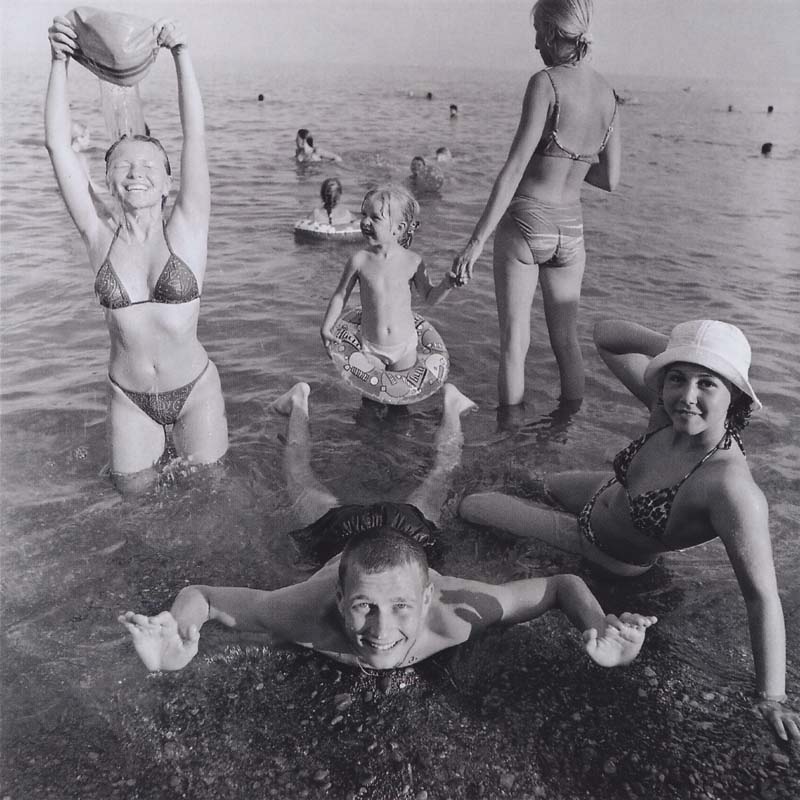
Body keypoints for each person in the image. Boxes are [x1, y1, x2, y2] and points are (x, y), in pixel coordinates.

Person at [119, 381, 656, 674]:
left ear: (427, 599)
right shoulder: (301, 611)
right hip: (345, 536)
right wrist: (177, 633)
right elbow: (201, 598)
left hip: (409, 535)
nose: (380, 631)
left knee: (437, 476)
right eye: (363, 606)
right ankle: (298, 402)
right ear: (338, 597)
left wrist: (598, 625)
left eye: (400, 607)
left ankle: (451, 406)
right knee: (302, 477)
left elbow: (563, 587)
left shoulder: (457, 617)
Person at [459, 319, 800, 742]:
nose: (687, 396)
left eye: (707, 383)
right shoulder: (668, 414)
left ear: (736, 395)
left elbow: (761, 596)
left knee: (472, 506)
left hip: (597, 544)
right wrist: (681, 351)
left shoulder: (730, 488)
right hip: (601, 490)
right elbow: (605, 336)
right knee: (522, 478)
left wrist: (772, 696)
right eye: (677, 378)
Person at [46, 17, 228, 493]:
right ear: (108, 180)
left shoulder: (187, 227)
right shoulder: (98, 234)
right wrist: (58, 62)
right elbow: (57, 146)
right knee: (132, 501)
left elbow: (195, 135)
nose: (135, 173)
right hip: (129, 398)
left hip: (195, 390)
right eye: (122, 165)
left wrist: (181, 54)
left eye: (149, 165)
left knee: (210, 495)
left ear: (168, 182)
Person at [451, 0, 621, 409]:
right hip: (572, 231)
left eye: (537, 34)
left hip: (528, 221)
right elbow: (610, 179)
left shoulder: (545, 83)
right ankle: (568, 429)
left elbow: (513, 171)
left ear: (550, 31)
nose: (534, 45)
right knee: (567, 341)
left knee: (514, 343)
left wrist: (475, 243)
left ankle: (510, 434)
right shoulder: (608, 94)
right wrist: (570, 162)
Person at [320, 186, 456, 372]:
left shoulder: (413, 262)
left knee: (401, 391)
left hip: (405, 346)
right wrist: (327, 327)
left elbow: (429, 297)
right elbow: (340, 296)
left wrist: (447, 285)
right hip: (371, 347)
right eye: (364, 215)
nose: (365, 222)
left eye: (375, 218)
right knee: (369, 391)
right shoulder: (359, 260)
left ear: (399, 229)